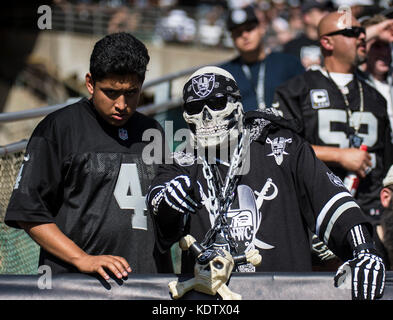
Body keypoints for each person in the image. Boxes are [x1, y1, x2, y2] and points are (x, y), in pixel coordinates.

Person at [147, 65, 385, 300]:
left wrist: (363, 248)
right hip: (211, 301)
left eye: (217, 103)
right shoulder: (182, 161)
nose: (207, 116)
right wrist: (166, 200)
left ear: (237, 104)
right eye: (196, 108)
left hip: (282, 295)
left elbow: (330, 197)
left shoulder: (282, 145)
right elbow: (158, 196)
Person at [4, 32, 170, 280]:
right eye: (111, 92)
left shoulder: (152, 131)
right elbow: (29, 213)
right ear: (90, 83)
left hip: (147, 283)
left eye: (131, 92)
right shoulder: (59, 128)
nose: (122, 104)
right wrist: (82, 259)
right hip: (78, 286)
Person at [273, 12, 393, 222]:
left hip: (369, 214)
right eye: (353, 32)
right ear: (327, 42)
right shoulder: (295, 90)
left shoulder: (375, 97)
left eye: (362, 32)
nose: (362, 37)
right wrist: (339, 155)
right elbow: (280, 148)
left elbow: (386, 160)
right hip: (316, 215)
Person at [219, 5, 305, 112]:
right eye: (238, 32)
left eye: (249, 29)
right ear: (232, 37)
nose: (245, 35)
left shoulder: (289, 63)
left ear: (261, 29)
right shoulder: (224, 74)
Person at [282, 0, 331, 68]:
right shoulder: (292, 46)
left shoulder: (330, 43)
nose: (326, 14)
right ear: (307, 17)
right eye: (320, 11)